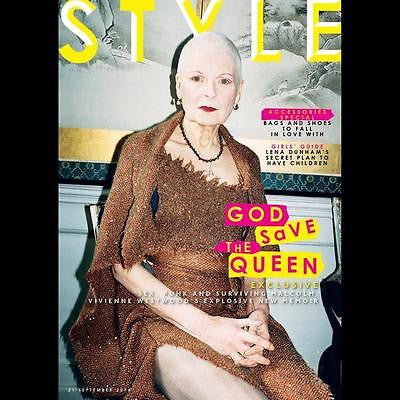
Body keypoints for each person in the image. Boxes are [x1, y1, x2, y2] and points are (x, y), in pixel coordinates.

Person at [69, 32, 333, 400]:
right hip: (161, 319)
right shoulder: (141, 151)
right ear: (178, 85)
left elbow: (254, 253)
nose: (210, 92)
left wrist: (258, 311)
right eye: (196, 78)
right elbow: (122, 266)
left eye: (223, 81)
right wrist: (209, 330)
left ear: (238, 92)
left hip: (235, 316)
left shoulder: (247, 162)